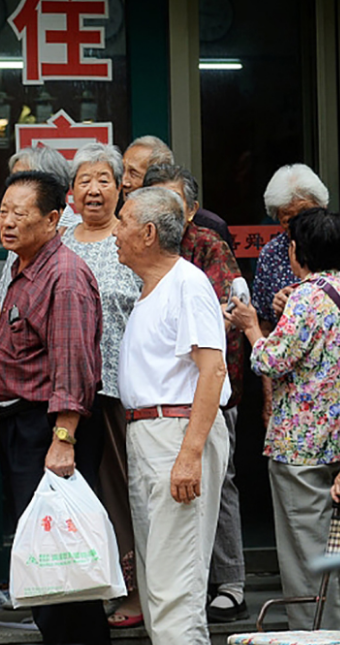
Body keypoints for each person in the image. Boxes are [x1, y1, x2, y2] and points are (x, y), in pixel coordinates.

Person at [0, 171, 108, 645]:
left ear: (54, 218)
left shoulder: (65, 275)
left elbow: (73, 364)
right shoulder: (23, 265)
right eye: (3, 211)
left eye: (20, 213)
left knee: (62, 554)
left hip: (49, 430)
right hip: (20, 425)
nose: (8, 221)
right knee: (43, 551)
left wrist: (63, 439)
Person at [115, 186, 230, 645]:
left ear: (146, 233)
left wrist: (190, 454)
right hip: (152, 432)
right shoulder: (154, 289)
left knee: (175, 585)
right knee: (159, 578)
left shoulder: (188, 283)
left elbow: (213, 369)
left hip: (177, 431)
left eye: (123, 222)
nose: (115, 233)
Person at [142, 163, 248, 621]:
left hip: (212, 386)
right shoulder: (140, 248)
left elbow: (228, 312)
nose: (165, 211)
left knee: (217, 483)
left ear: (192, 210)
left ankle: (231, 581)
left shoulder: (205, 247)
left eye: (173, 202)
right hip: (160, 401)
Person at [225, 208, 340, 629]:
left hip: (302, 444)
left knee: (305, 553)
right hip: (335, 442)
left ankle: (315, 634)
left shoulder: (306, 297)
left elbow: (273, 360)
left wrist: (252, 326)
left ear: (298, 250)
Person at [58, 143, 144, 629]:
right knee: (78, 495)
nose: (94, 189)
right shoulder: (60, 237)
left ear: (120, 187)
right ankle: (81, 593)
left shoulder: (131, 239)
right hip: (66, 390)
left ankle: (133, 591)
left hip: (118, 388)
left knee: (120, 492)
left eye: (103, 179)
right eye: (85, 180)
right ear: (71, 192)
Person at [253, 164, 330, 428]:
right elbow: (264, 328)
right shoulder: (272, 255)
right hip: (290, 396)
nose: (300, 227)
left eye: (306, 215)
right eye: (289, 221)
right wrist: (268, 400)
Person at [0, 144, 80, 330]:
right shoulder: (19, 233)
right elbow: (2, 298)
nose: (15, 190)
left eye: (24, 182)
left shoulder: (79, 234)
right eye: (13, 181)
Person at [121, 135, 231, 245]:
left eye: (133, 173)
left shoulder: (210, 227)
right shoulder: (118, 216)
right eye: (122, 171)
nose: (124, 182)